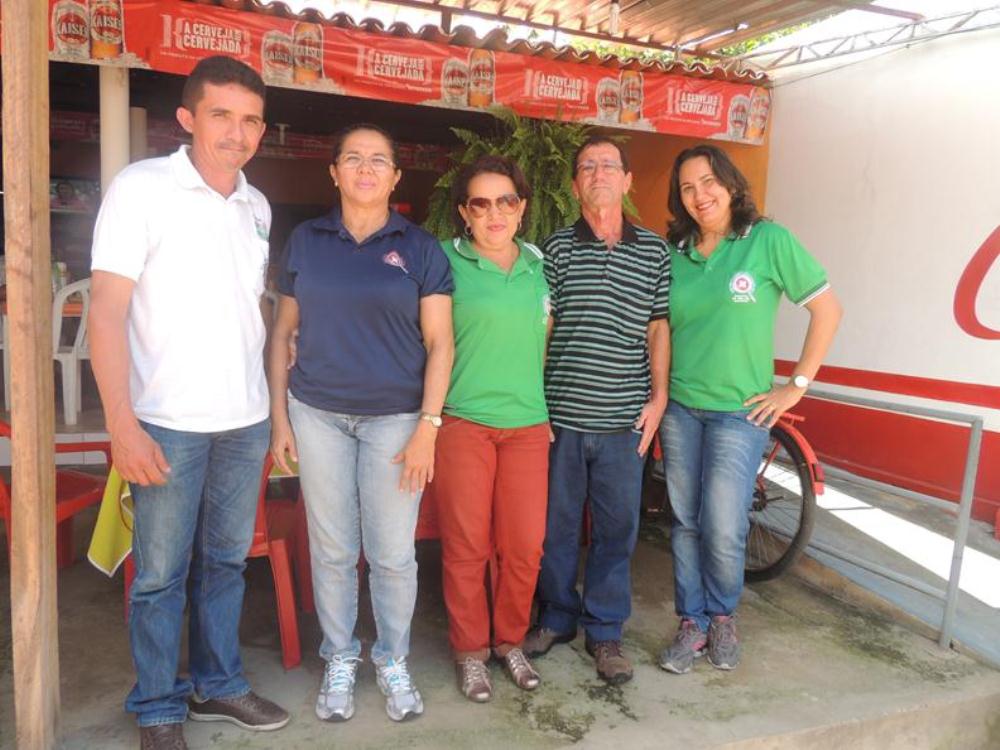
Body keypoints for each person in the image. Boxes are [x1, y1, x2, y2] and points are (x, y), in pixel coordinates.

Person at [88, 56, 289, 750]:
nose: (237, 132)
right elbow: (106, 314)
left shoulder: (255, 204)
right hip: (166, 423)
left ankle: (218, 683)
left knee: (227, 565)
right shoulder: (141, 189)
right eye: (221, 115)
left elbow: (249, 310)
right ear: (187, 119)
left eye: (250, 119)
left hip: (244, 420)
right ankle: (157, 707)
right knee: (161, 577)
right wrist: (121, 423)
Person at [268, 123, 454, 723]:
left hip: (396, 420)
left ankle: (393, 657)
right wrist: (280, 419)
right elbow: (283, 334)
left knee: (393, 552)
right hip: (317, 412)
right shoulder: (306, 240)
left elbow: (441, 343)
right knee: (332, 548)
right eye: (353, 159)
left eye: (379, 161)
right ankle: (341, 656)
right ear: (335, 172)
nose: (366, 169)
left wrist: (429, 424)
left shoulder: (421, 248)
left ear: (396, 177)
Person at [657, 144, 842, 675]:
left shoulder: (767, 240)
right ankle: (691, 622)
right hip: (681, 410)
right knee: (685, 521)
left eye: (709, 181)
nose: (700, 195)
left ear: (732, 184)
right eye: (688, 187)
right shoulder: (677, 252)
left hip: (741, 413)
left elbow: (827, 309)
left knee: (722, 522)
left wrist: (796, 384)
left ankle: (722, 617)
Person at [524, 136, 671, 685]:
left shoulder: (654, 251)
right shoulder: (554, 248)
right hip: (561, 416)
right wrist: (534, 403)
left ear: (628, 180)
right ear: (574, 185)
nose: (599, 173)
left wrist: (658, 398)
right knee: (556, 528)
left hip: (624, 423)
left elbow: (658, 328)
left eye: (609, 165)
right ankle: (557, 617)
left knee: (616, 531)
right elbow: (545, 327)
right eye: (587, 166)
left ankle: (605, 632)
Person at [433, 155, 551, 702]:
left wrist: (541, 406)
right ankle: (471, 651)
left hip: (528, 425)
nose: (495, 212)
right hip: (464, 423)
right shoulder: (443, 262)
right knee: (466, 547)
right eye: (481, 203)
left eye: (506, 201)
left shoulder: (538, 264)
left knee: (524, 546)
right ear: (464, 213)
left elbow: (543, 340)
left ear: (522, 208)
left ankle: (510, 641)